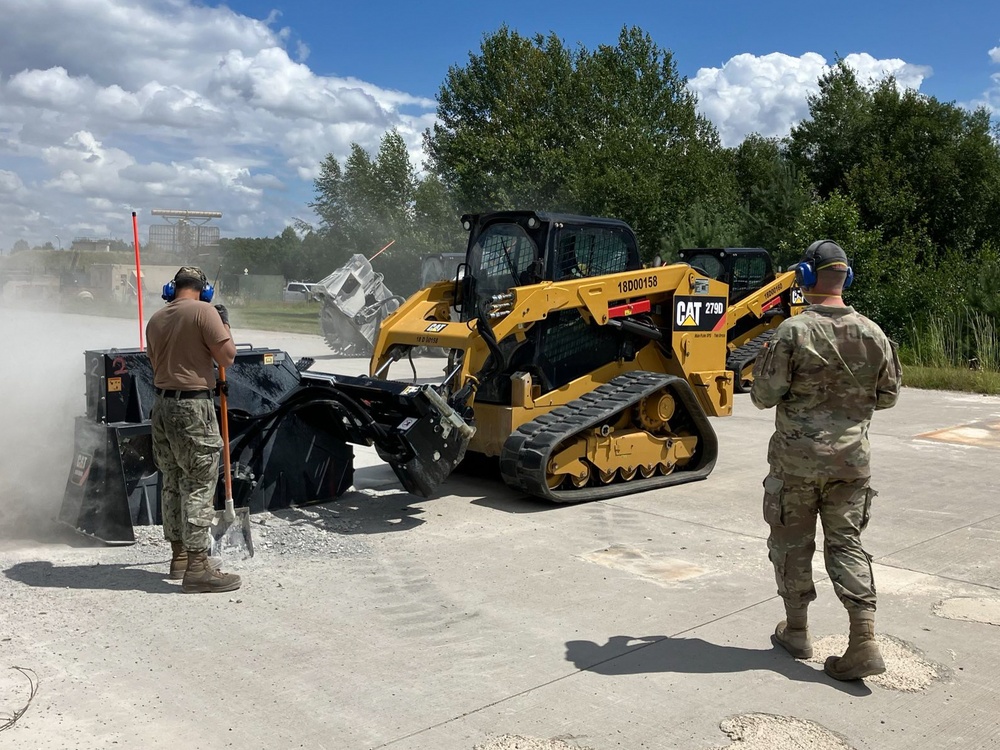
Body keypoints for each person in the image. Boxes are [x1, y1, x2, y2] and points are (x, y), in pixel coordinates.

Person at [750, 240, 901, 681]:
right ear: (846, 278)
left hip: (796, 464)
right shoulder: (874, 333)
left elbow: (763, 396)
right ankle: (863, 639)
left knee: (792, 545)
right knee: (847, 545)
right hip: (851, 464)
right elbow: (888, 396)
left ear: (805, 276)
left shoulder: (792, 332)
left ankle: (796, 632)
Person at [145, 267, 242, 594]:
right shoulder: (205, 312)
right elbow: (227, 356)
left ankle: (180, 557)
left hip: (161, 407)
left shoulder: (156, 319)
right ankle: (199, 569)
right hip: (192, 407)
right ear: (206, 290)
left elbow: (153, 361)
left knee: (171, 481)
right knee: (200, 481)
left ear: (172, 289)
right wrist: (224, 323)